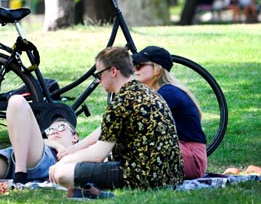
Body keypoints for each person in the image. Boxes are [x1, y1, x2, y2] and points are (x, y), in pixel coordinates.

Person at [49, 46, 183, 191]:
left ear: (113, 71)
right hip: (171, 176)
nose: (99, 81)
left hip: (142, 177)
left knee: (62, 173)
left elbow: (98, 155)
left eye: (99, 75)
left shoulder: (120, 102)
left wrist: (61, 163)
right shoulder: (150, 93)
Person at [132, 46, 208, 180]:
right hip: (184, 153)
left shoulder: (168, 93)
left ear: (157, 69)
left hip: (191, 158)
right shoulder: (163, 91)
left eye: (139, 65)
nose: (134, 69)